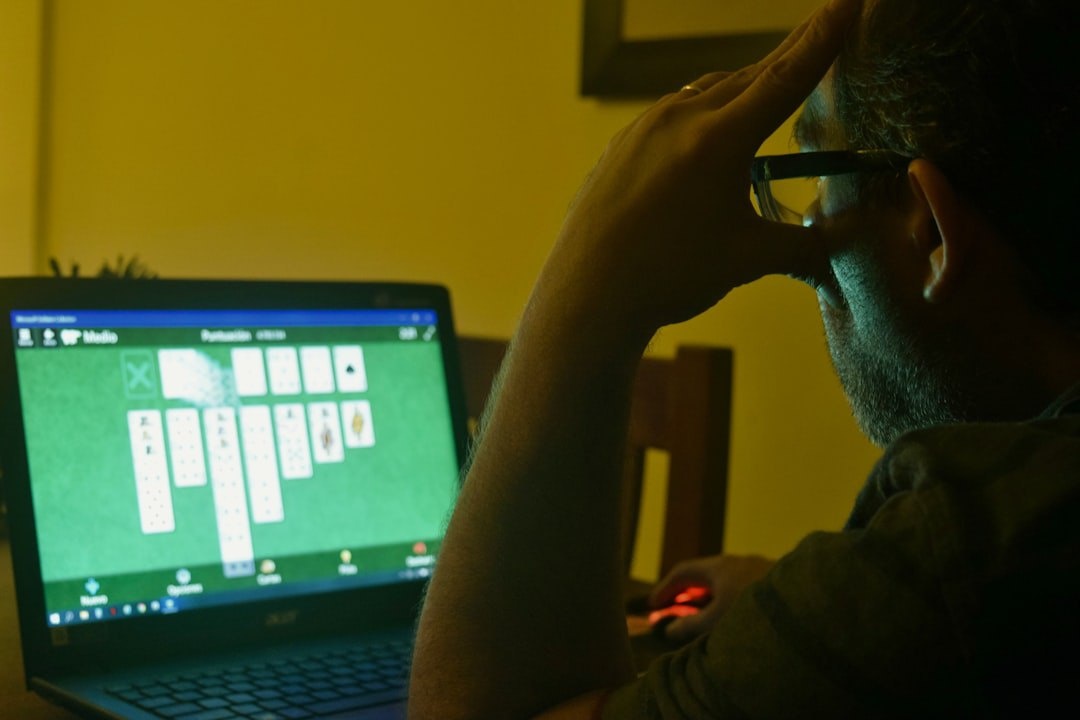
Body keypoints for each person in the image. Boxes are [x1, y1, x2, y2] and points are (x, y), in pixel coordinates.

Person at [409, 0, 1080, 716]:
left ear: (931, 233)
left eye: (819, 174)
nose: (809, 221)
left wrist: (591, 279)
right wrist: (815, 608)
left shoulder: (958, 552)